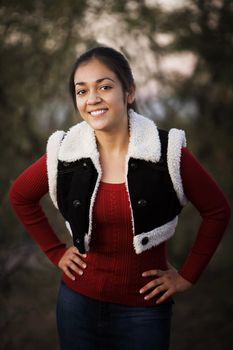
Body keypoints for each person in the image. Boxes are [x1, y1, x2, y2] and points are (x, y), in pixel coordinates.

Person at [9, 46, 231, 350]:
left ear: (129, 92)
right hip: (76, 305)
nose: (93, 98)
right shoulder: (65, 151)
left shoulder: (167, 152)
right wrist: (55, 252)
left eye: (105, 86)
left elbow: (217, 210)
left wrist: (188, 276)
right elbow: (20, 196)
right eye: (82, 90)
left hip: (143, 312)